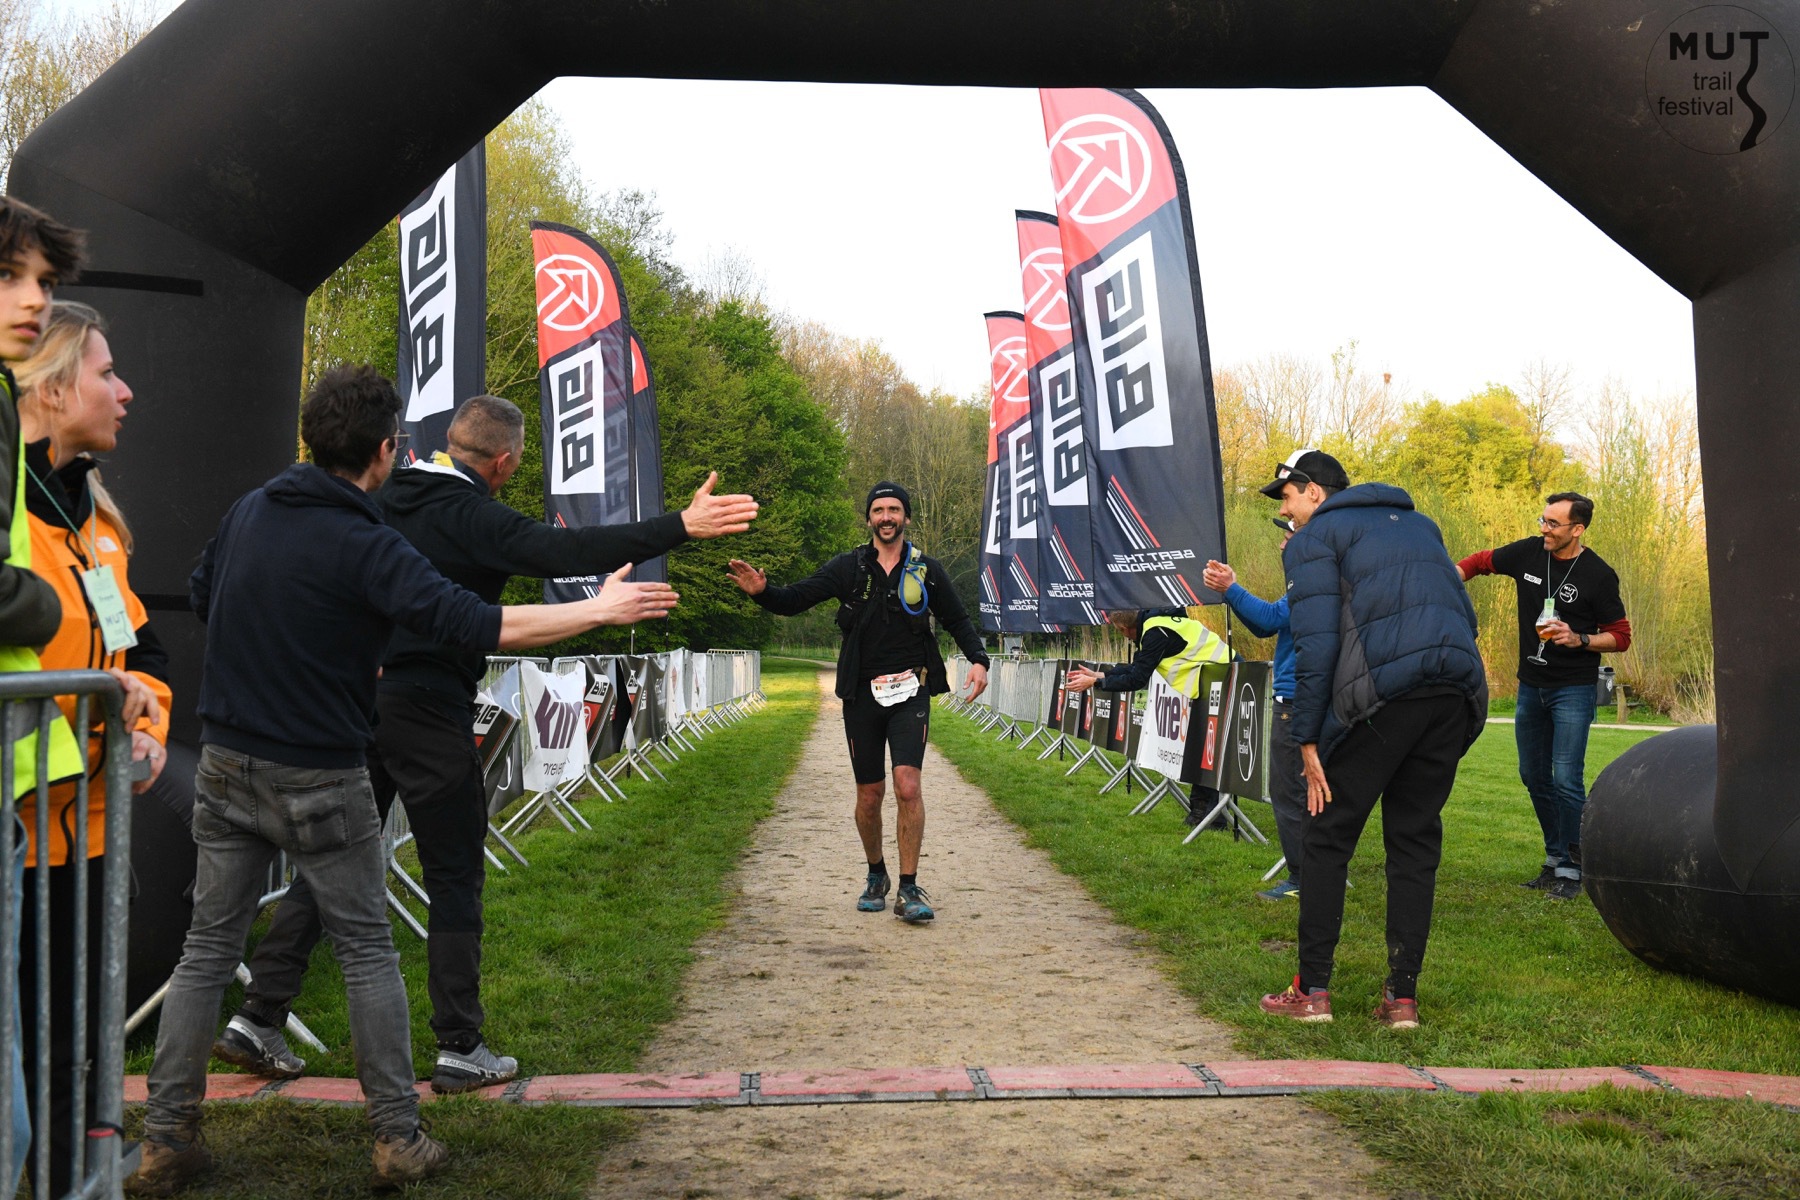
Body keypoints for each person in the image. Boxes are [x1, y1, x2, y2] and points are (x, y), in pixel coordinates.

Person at [127, 366, 679, 1196]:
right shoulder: (367, 538)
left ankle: (169, 1133)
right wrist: (597, 611)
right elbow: (474, 621)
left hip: (227, 757)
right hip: (322, 760)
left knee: (208, 949)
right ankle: (401, 1129)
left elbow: (206, 593)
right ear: (388, 450)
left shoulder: (253, 508)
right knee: (370, 948)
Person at [217, 393, 756, 1094]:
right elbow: (566, 551)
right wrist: (680, 525)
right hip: (429, 707)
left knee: (333, 861)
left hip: (353, 704)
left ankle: (258, 1014)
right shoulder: (472, 514)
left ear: (446, 441)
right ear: (504, 463)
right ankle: (460, 1044)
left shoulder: (379, 495)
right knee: (453, 872)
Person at [15, 301, 170, 1197]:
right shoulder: (14, 518)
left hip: (93, 838)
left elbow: (141, 652)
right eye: (106, 373)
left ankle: (71, 1174)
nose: (126, 391)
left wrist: (144, 728)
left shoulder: (95, 518)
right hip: (19, 839)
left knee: (72, 1045)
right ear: (51, 385)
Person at [1255, 448, 1487, 1029]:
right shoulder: (1420, 526)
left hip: (1383, 697)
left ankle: (1312, 990)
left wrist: (1308, 740)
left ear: (1313, 490)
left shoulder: (1314, 538)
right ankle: (1401, 999)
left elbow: (1316, 646)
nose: (1285, 512)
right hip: (1453, 691)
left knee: (1326, 836)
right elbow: (1465, 617)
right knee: (1413, 843)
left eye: (1287, 497)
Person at [726, 481, 988, 923]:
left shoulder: (926, 570)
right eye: (878, 510)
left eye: (894, 510)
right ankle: (876, 874)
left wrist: (979, 659)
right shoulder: (848, 567)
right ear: (868, 519)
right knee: (870, 795)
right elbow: (795, 599)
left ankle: (909, 887)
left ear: (906, 517)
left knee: (908, 785)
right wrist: (763, 592)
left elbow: (957, 618)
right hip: (861, 695)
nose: (887, 517)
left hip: (911, 691)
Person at [0, 197, 87, 1197]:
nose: (33, 300)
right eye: (9, 276)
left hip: (41, 775)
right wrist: (40, 603)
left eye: (45, 283)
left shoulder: (94, 496)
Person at [1457, 493, 1630, 901]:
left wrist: (1580, 638)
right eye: (1543, 519)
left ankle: (1576, 866)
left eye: (1553, 523)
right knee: (1533, 775)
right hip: (1530, 686)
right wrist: (1444, 580)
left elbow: (1620, 637)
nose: (1544, 529)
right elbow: (1480, 562)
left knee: (1566, 779)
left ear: (1577, 529)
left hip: (1573, 689)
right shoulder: (1529, 553)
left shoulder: (1598, 575)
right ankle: (1555, 859)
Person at [1203, 516, 1304, 898]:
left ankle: (1303, 880)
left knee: (1290, 792)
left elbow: (1271, 618)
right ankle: (1312, 875)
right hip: (1305, 696)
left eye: (1288, 537)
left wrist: (1231, 588)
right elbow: (1266, 626)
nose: (1282, 545)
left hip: (1296, 700)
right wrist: (1231, 591)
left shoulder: (1313, 578)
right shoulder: (1318, 576)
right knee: (1299, 790)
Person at [1064, 606, 1231, 830]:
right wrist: (1100, 675)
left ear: (1124, 628)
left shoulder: (1154, 632)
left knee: (1206, 753)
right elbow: (1137, 668)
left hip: (1224, 679)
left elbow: (1137, 679)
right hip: (1213, 680)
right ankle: (1202, 814)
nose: (1123, 636)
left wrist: (1096, 683)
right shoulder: (1154, 626)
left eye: (1119, 631)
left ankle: (1212, 817)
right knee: (1199, 750)